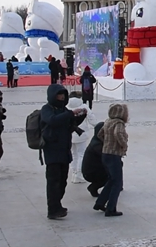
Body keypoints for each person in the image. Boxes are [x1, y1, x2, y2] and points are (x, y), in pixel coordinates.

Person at [41, 83, 88, 219]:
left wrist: (81, 115)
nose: (61, 97)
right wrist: (70, 114)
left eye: (63, 95)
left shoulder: (64, 111)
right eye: (59, 95)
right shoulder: (47, 109)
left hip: (64, 151)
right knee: (53, 181)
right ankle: (53, 209)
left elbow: (71, 123)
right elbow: (52, 121)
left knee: (62, 181)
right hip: (52, 151)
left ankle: (58, 204)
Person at [95, 103, 129, 217]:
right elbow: (118, 134)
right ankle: (111, 208)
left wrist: (107, 142)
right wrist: (123, 145)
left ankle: (100, 202)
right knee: (117, 182)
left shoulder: (107, 121)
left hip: (105, 153)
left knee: (111, 179)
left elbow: (99, 134)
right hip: (114, 155)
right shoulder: (119, 123)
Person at [68, 93, 99, 184]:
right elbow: (92, 120)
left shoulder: (66, 106)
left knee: (74, 154)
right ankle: (78, 174)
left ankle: (74, 173)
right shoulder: (83, 106)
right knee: (81, 154)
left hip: (69, 133)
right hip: (81, 133)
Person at [82, 122, 108, 197]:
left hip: (94, 169)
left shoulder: (97, 141)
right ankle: (93, 188)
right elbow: (106, 158)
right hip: (90, 173)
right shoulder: (97, 145)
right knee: (110, 174)